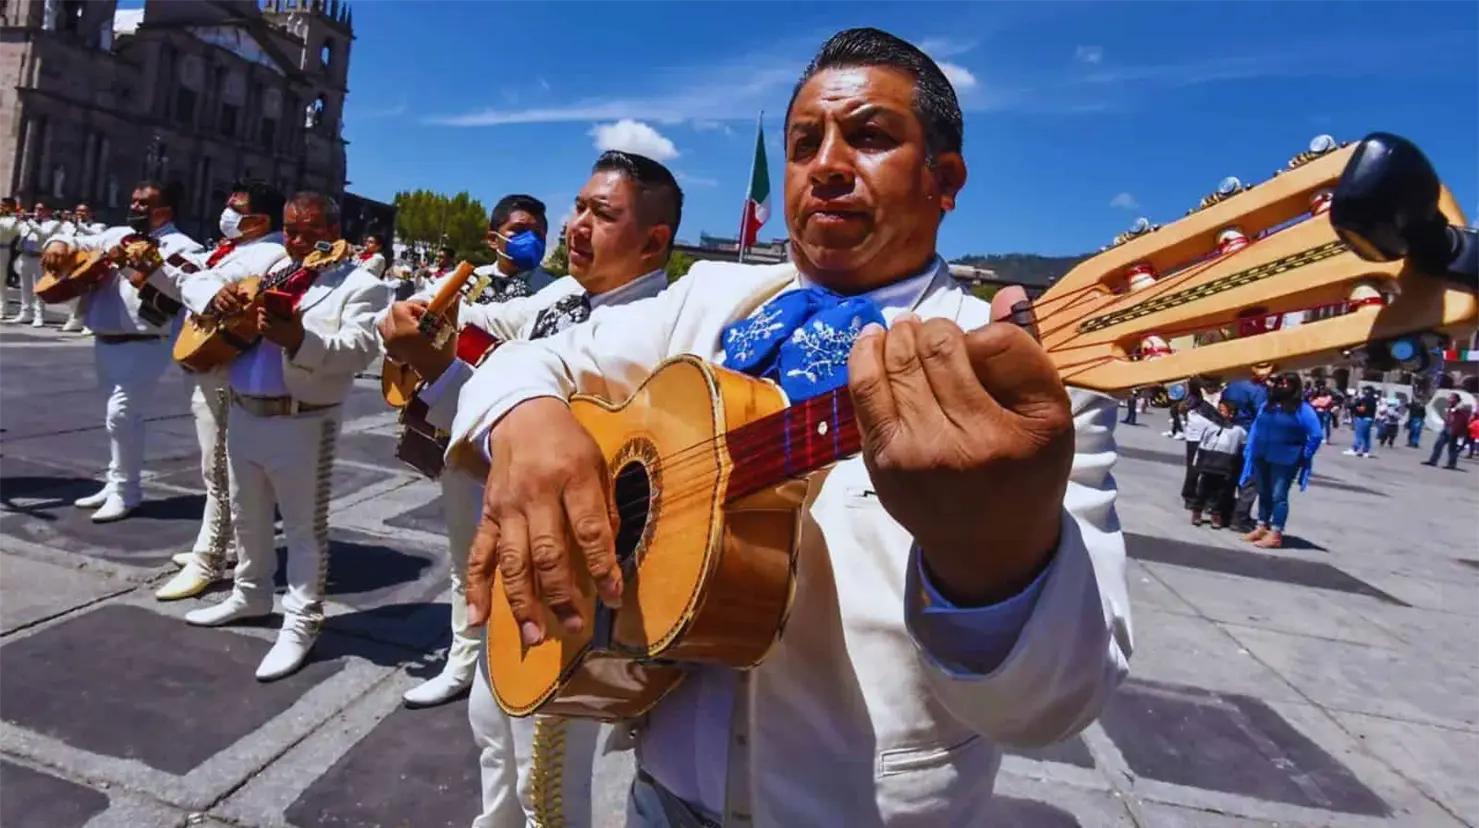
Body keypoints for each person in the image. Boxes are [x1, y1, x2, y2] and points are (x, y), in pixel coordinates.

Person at [448, 28, 1129, 825]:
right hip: (657, 801)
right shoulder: (707, 298)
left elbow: (1052, 706)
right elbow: (516, 366)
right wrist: (529, 425)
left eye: (869, 137)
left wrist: (996, 556)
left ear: (945, 180)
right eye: (805, 143)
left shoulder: (1023, 380)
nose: (828, 165)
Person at [383, 155, 682, 826]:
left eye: (602, 215)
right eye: (577, 207)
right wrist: (427, 315)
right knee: (491, 730)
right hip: (515, 550)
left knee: (545, 777)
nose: (575, 226)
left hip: (571, 579)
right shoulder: (563, 298)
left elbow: (558, 444)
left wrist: (436, 365)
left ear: (654, 241)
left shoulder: (654, 326)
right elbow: (495, 328)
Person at [181, 192, 392, 681]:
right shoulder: (270, 263)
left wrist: (298, 339)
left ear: (334, 231)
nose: (297, 240)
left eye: (309, 231)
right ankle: (250, 594)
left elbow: (357, 351)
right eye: (291, 229)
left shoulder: (361, 284)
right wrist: (219, 298)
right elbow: (198, 278)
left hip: (304, 420)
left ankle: (301, 621)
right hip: (243, 411)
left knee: (303, 529)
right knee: (245, 514)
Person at [154, 180, 291, 601]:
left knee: (219, 468)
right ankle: (229, 544)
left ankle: (208, 558)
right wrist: (212, 292)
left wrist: (209, 290)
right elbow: (195, 285)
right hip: (212, 358)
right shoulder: (232, 251)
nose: (228, 213)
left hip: (231, 368)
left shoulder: (273, 254)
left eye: (238, 208)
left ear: (261, 220)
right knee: (215, 465)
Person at [44, 182, 203, 522]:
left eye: (144, 202)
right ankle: (115, 482)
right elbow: (77, 241)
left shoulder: (183, 246)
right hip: (106, 338)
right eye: (133, 200)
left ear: (165, 209)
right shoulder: (116, 233)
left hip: (146, 342)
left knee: (121, 414)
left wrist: (136, 268)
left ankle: (127, 492)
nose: (135, 206)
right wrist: (58, 242)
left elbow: (178, 296)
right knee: (116, 418)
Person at [1241, 372, 1323, 549]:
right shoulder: (1268, 405)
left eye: (1288, 383)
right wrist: (1250, 449)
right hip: (1262, 454)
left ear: (1295, 387)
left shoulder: (1302, 409)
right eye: (1280, 382)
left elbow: (1316, 434)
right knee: (1263, 491)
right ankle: (1261, 527)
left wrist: (1305, 454)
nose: (1283, 386)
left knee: (1279, 495)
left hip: (1286, 458)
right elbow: (1256, 427)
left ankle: (1276, 533)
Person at [474, 194, 557, 303]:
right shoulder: (469, 282)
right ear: (493, 240)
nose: (531, 239)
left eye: (538, 233)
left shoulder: (554, 292)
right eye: (520, 230)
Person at [1221, 363, 1273, 532]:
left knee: (1230, 475)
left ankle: (1223, 512)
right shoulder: (1258, 390)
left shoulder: (1233, 384)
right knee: (1250, 479)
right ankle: (1240, 517)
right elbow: (1262, 415)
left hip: (1229, 433)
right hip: (1250, 436)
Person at [1190, 399, 1247, 528]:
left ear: (1231, 414)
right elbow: (1202, 444)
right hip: (1209, 462)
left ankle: (1216, 513)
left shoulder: (1238, 431)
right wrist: (1197, 462)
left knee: (1221, 492)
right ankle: (1197, 510)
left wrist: (1238, 465)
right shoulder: (1211, 427)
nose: (1219, 412)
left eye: (1222, 410)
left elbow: (1242, 447)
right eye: (1219, 409)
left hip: (1225, 465)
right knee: (1203, 489)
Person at [8, 201, 60, 327]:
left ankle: (39, 316)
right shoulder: (28, 222)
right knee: (25, 287)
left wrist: (29, 222)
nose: (37, 211)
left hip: (39, 258)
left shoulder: (53, 224)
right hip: (25, 256)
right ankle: (25, 313)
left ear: (48, 211)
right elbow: (15, 233)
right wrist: (17, 221)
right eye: (36, 209)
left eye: (41, 209)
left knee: (39, 288)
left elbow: (43, 235)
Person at [1423, 393, 1471, 470]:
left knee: (1452, 448)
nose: (1449, 399)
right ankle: (1433, 461)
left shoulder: (1461, 408)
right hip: (1447, 427)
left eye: (1451, 398)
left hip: (1454, 429)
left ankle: (1451, 464)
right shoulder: (1450, 407)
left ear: (1456, 399)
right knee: (1438, 444)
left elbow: (1463, 418)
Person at [0, 198, 21, 315]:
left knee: (1, 280)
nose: (1, 207)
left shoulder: (13, 220)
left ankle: (2, 309)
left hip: (2, 249)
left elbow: (7, 229)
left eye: (4, 206)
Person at [1345, 387, 1378, 457]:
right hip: (1369, 419)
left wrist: (1355, 407)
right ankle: (1366, 451)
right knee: (1366, 436)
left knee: (1359, 435)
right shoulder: (1373, 399)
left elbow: (1361, 409)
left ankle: (1355, 449)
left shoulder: (1365, 399)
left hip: (1362, 418)